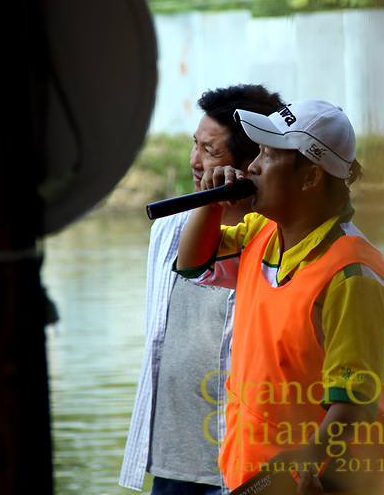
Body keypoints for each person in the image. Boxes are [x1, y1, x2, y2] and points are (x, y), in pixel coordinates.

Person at [176, 99, 384, 495]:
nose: (253, 168)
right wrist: (211, 203)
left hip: (319, 482)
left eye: (270, 156)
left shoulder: (352, 274)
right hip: (251, 475)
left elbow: (355, 401)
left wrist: (311, 458)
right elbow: (193, 264)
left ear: (311, 177)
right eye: (257, 153)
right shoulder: (262, 231)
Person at [120, 85, 285, 495]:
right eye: (195, 145)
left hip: (250, 463)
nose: (195, 162)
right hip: (173, 457)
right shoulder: (170, 228)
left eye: (211, 152)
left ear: (255, 161)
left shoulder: (280, 238)